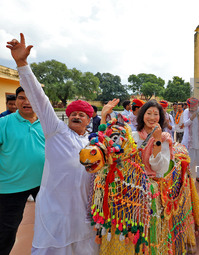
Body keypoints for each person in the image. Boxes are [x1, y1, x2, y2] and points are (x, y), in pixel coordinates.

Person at [6, 33, 117, 254]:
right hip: (56, 212)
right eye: (73, 113)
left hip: (83, 213)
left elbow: (105, 144)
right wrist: (22, 63)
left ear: (89, 120)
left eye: (82, 114)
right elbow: (39, 97)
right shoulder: (56, 131)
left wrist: (104, 116)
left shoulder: (90, 142)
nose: (76, 116)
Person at [0, 86, 45, 255]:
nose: (26, 102)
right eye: (21, 98)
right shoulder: (3, 123)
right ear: (15, 100)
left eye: (31, 97)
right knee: (6, 232)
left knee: (50, 224)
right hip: (10, 187)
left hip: (43, 185)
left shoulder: (47, 123)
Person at [101, 99, 172, 178]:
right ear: (142, 115)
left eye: (156, 114)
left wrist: (158, 140)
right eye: (149, 113)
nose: (152, 118)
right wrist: (103, 116)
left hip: (153, 185)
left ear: (160, 117)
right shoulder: (133, 136)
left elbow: (159, 168)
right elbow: (107, 143)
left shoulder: (164, 138)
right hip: (133, 184)